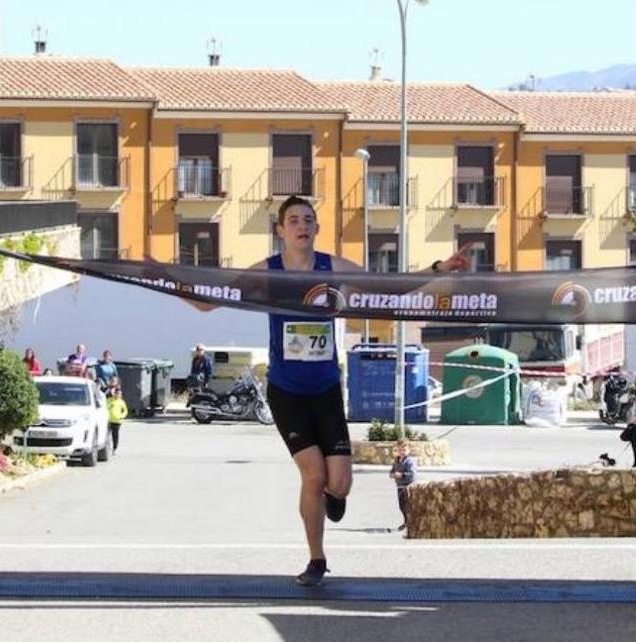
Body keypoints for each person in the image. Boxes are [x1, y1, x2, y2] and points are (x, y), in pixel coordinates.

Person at [181, 195, 474, 587]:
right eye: (294, 220)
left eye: (309, 220)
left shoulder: (330, 267)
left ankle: (335, 497)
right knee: (314, 476)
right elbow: (209, 304)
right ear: (280, 230)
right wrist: (162, 279)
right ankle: (316, 559)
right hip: (286, 392)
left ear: (316, 228)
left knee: (339, 484)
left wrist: (439, 268)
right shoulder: (269, 273)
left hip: (326, 389)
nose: (302, 226)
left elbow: (389, 290)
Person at [389, 439, 418, 532]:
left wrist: (402, 474)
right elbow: (392, 470)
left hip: (408, 486)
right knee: (402, 506)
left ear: (409, 450)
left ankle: (410, 522)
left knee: (408, 505)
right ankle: (406, 521)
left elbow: (412, 474)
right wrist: (392, 474)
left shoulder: (409, 461)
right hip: (400, 486)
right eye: (400, 450)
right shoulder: (397, 460)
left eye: (404, 450)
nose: (402, 452)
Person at [106, 385, 129, 454]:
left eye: (119, 394)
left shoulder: (121, 402)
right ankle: (107, 448)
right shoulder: (109, 400)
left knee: (115, 435)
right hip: (108, 420)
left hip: (117, 421)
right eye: (117, 393)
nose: (118, 395)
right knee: (107, 435)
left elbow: (125, 411)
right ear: (114, 393)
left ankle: (115, 448)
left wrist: (121, 416)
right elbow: (105, 407)